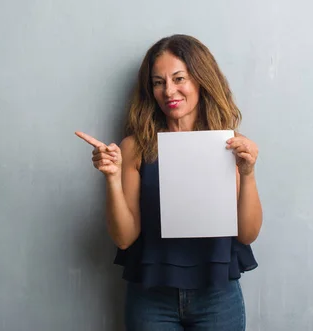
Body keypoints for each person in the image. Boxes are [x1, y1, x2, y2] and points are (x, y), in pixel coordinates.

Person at [75, 34, 263, 331]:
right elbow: (124, 238)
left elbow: (247, 234)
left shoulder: (230, 144)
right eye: (158, 82)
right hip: (152, 297)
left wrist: (248, 173)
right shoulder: (135, 147)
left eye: (179, 79)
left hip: (217, 295)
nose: (169, 91)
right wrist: (112, 179)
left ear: (201, 80)